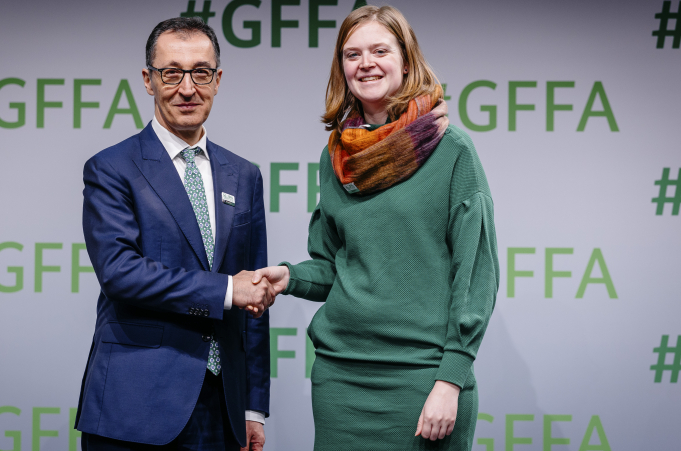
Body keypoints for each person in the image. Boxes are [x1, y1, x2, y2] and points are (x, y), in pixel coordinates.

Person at [253, 5, 499, 450]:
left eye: (379, 50)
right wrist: (289, 277)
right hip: (340, 379)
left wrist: (451, 380)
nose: (365, 63)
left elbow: (476, 275)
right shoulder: (336, 158)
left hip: (423, 380)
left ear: (406, 60)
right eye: (352, 54)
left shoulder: (452, 150)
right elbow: (332, 265)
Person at [74, 17, 273, 451]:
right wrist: (225, 290)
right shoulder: (112, 169)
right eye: (171, 73)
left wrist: (253, 407)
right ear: (148, 80)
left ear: (217, 80)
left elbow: (254, 297)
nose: (187, 88)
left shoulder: (244, 175)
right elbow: (120, 273)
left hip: (222, 409)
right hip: (136, 408)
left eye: (200, 72)